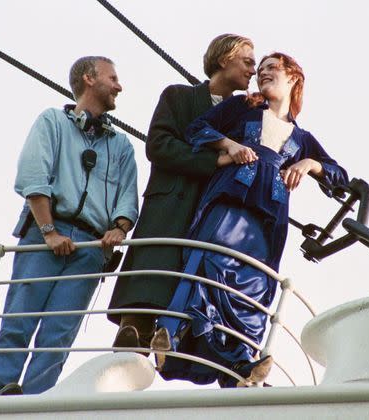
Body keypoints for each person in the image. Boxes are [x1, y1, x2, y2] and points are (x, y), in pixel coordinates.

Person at [151, 52, 349, 388]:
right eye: (260, 71)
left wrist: (309, 165)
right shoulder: (241, 107)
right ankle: (170, 334)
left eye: (272, 68)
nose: (263, 74)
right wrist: (229, 144)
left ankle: (241, 365)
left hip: (268, 219)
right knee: (210, 265)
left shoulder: (302, 139)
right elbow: (197, 128)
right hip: (230, 200)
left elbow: (339, 175)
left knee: (253, 288)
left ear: (293, 78)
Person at [0, 56, 138, 396]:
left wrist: (119, 228)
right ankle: (1, 393)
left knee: (59, 334)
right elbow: (32, 177)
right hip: (44, 238)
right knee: (18, 321)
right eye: (112, 78)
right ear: (89, 79)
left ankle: (38, 400)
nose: (119, 86)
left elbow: (128, 198)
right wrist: (49, 231)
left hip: (89, 248)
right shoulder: (52, 122)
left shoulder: (122, 146)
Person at [107, 34, 256, 349]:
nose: (253, 70)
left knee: (190, 288)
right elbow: (159, 146)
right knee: (148, 285)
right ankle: (133, 334)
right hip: (169, 208)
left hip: (207, 215)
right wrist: (213, 159)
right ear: (225, 58)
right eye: (247, 61)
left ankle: (174, 344)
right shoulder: (177, 97)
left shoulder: (245, 117)